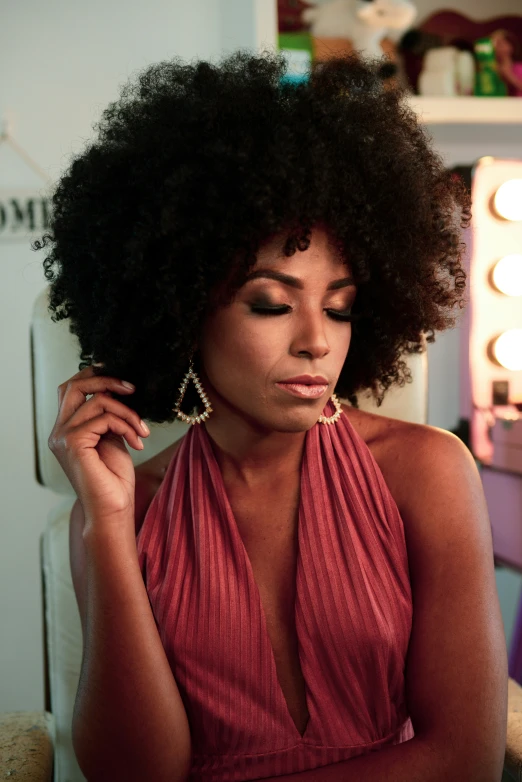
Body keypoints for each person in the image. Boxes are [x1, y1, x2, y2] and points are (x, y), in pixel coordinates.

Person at [39, 50, 507, 782]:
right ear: (184, 309)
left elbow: (465, 759)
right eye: (270, 303)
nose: (318, 341)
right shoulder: (130, 510)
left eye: (341, 307)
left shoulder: (426, 472)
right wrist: (105, 526)